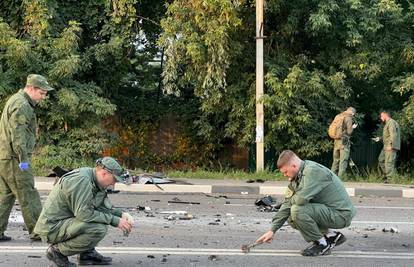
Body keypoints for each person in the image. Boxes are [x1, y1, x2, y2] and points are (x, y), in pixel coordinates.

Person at [34, 157, 134, 267]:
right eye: (114, 180)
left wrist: (121, 214)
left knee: (101, 221)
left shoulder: (94, 179)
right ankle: (57, 252)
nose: (113, 184)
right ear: (104, 173)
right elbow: (84, 214)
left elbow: (100, 207)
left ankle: (87, 254)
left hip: (64, 222)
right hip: (52, 228)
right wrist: (115, 221)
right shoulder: (83, 180)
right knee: (98, 228)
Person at [256, 150, 356, 256]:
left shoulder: (313, 172)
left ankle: (322, 244)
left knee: (297, 210)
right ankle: (331, 235)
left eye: (285, 172)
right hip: (328, 211)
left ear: (293, 166)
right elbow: (287, 203)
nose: (285, 175)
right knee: (290, 214)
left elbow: (299, 200)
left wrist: (290, 200)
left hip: (341, 214)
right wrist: (272, 230)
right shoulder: (298, 175)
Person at [0, 74, 54, 242]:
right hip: (15, 159)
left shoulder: (16, 100)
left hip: (5, 157)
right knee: (28, 194)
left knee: (5, 195)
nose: (44, 97)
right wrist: (23, 159)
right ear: (31, 88)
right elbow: (18, 135)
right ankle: (39, 231)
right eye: (42, 93)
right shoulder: (22, 105)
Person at [330, 107, 357, 177]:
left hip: (336, 140)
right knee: (343, 160)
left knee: (335, 160)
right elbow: (349, 132)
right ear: (352, 113)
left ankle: (332, 177)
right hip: (344, 142)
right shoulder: (348, 118)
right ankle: (341, 178)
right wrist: (353, 127)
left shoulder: (338, 116)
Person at [377, 111, 400, 183]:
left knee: (389, 163)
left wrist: (391, 145)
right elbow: (388, 135)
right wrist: (380, 138)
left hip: (390, 146)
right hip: (385, 146)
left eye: (381, 116)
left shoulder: (391, 122)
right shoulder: (388, 123)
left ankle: (391, 180)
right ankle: (387, 176)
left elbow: (393, 135)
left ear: (385, 115)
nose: (381, 118)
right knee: (381, 160)